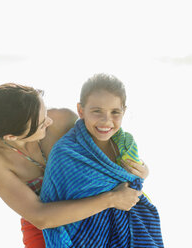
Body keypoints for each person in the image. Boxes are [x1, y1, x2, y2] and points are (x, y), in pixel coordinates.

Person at [0, 83, 144, 248]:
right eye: (42, 122)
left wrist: (139, 168)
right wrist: (110, 200)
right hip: (46, 226)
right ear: (12, 137)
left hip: (94, 211)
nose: (50, 121)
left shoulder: (63, 120)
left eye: (46, 112)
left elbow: (110, 146)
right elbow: (40, 217)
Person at [40, 73, 163, 247]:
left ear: (124, 112)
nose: (107, 121)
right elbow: (52, 210)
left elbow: (131, 185)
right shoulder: (65, 153)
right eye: (97, 111)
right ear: (81, 111)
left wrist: (142, 173)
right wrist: (112, 198)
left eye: (115, 112)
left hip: (129, 231)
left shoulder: (126, 145)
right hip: (84, 238)